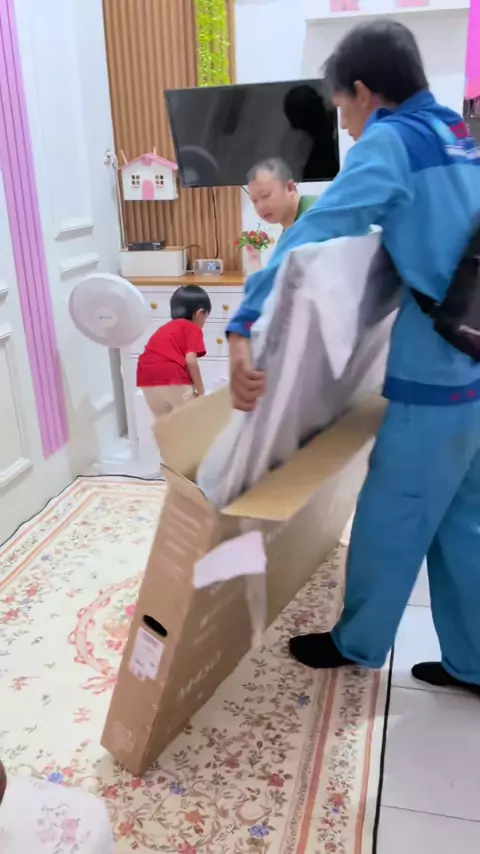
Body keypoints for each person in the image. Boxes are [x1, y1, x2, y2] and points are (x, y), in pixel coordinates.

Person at [227, 19, 480, 696]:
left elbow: (314, 228)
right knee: (465, 523)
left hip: (435, 378)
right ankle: (473, 662)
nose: (344, 124)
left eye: (342, 107)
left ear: (365, 92)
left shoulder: (393, 141)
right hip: (473, 362)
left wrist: (244, 320)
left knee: (392, 516)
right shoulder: (456, 134)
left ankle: (358, 643)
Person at [137, 285, 210, 416]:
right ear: (199, 313)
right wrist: (201, 392)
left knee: (166, 424)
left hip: (146, 379)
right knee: (194, 420)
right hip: (172, 377)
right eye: (206, 316)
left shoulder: (165, 329)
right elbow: (191, 360)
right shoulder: (192, 328)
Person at [247, 158, 318, 237]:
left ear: (290, 187)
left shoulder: (317, 214)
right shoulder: (288, 232)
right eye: (254, 201)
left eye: (265, 195)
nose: (260, 207)